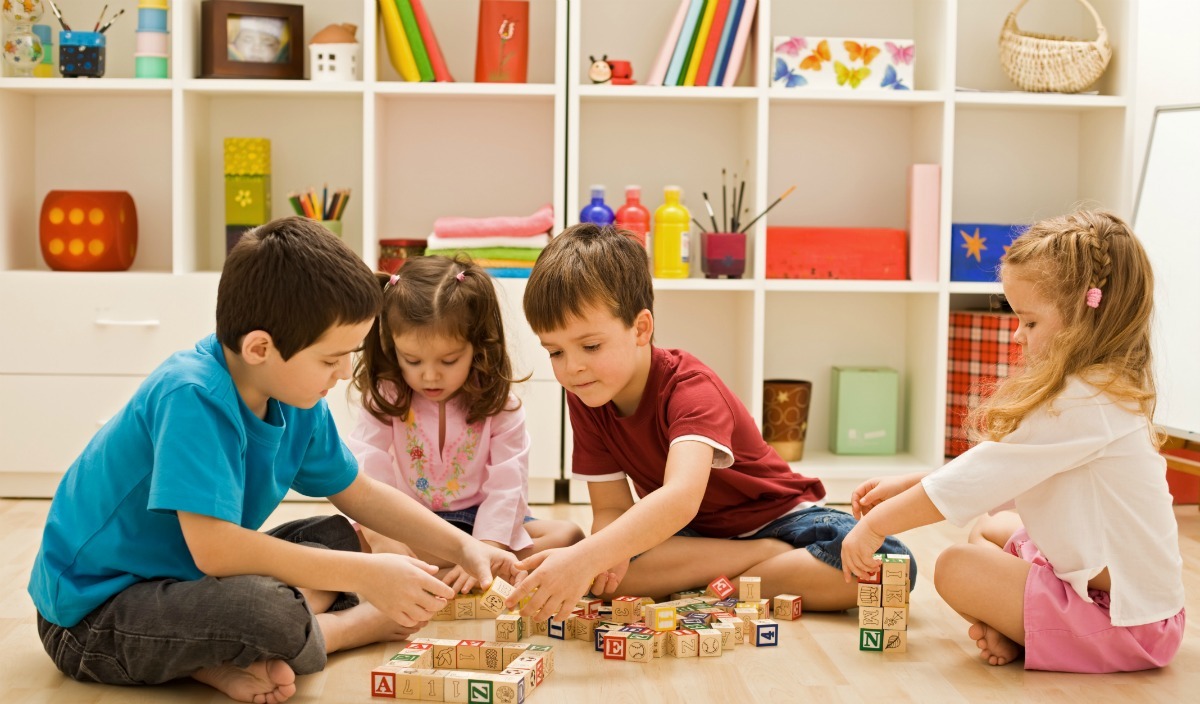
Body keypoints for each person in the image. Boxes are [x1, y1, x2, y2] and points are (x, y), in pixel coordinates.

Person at [28, 217, 521, 704]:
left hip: (186, 583)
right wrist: (366, 579)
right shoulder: (192, 395)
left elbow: (362, 495)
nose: (345, 373)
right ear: (260, 348)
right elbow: (216, 552)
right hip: (93, 616)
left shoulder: (295, 395)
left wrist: (462, 548)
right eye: (331, 359)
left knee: (345, 535)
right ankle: (339, 628)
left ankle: (217, 657)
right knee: (268, 611)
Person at [503, 223, 915, 620]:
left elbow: (680, 498)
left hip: (781, 519)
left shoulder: (690, 387)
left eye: (590, 345)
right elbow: (611, 508)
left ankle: (735, 574)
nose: (572, 368)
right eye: (555, 352)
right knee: (615, 578)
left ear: (641, 328)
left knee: (892, 568)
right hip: (696, 538)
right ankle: (756, 565)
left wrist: (587, 558)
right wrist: (603, 558)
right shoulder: (589, 394)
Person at [840, 210, 1186, 673]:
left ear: (1088, 314)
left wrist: (875, 526)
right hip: (1126, 598)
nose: (1017, 334)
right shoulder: (1098, 387)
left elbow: (981, 476)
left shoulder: (1083, 403)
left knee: (955, 566)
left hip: (1126, 622)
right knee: (986, 529)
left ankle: (1031, 633)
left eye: (1030, 322)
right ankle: (1024, 629)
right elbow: (995, 471)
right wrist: (908, 485)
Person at [348, 255, 584, 593]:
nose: (429, 375)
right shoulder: (388, 394)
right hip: (414, 525)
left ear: (478, 346)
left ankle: (447, 573)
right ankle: (445, 572)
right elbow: (366, 464)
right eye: (411, 360)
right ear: (391, 346)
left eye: (449, 360)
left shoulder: (501, 405)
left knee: (569, 536)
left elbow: (507, 483)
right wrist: (383, 537)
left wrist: (487, 548)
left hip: (480, 525)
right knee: (349, 542)